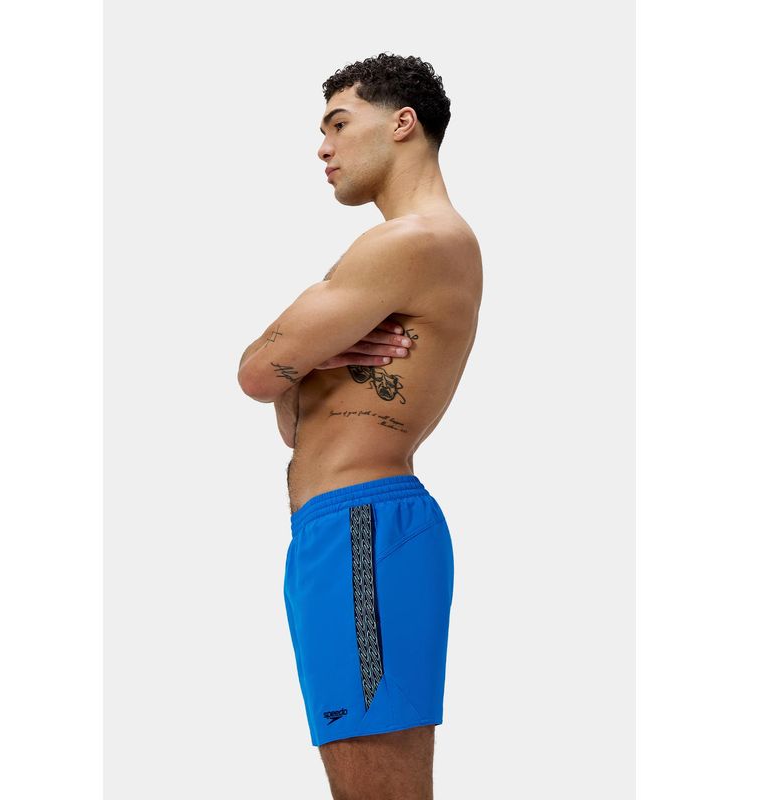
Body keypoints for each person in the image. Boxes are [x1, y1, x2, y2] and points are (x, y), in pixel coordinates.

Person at [238, 52, 482, 800]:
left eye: (339, 124)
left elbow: (257, 373)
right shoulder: (410, 248)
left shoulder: (412, 241)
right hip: (343, 533)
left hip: (361, 531)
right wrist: (310, 358)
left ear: (403, 123)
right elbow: (294, 419)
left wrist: (300, 353)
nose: (324, 147)